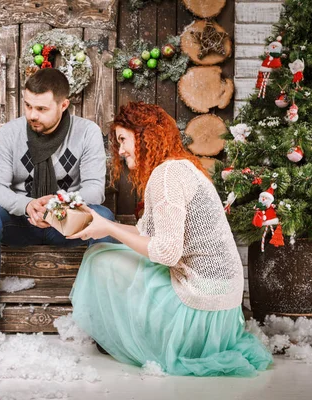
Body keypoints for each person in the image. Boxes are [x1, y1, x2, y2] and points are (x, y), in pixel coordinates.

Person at [68, 102, 273, 376]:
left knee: (100, 259)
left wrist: (109, 228)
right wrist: (103, 225)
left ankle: (127, 338)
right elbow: (145, 234)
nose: (120, 150)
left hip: (200, 308)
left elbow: (165, 253)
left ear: (145, 136)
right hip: (221, 311)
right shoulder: (178, 168)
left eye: (123, 139)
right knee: (108, 249)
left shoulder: (167, 175)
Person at [0, 68, 117, 350]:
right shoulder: (10, 133)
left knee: (105, 218)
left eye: (41, 108)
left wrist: (55, 207)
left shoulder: (87, 132)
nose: (32, 114)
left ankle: (102, 320)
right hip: (21, 221)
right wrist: (27, 206)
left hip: (66, 222)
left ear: (64, 105)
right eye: (27, 105)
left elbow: (95, 189)